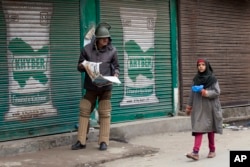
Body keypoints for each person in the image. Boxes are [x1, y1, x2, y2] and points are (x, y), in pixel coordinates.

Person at [71, 23, 120, 151]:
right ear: (97, 39)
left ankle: (103, 141)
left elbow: (117, 67)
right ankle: (81, 141)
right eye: (104, 38)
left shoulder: (113, 50)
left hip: (106, 87)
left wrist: (115, 73)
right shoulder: (86, 50)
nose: (106, 40)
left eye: (108, 38)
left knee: (104, 112)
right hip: (91, 86)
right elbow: (79, 67)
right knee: (84, 109)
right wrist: (84, 65)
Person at [185, 58, 223, 160]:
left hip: (209, 107)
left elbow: (217, 92)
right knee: (198, 129)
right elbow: (191, 94)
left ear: (206, 66)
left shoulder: (212, 79)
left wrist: (206, 92)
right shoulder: (195, 79)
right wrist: (189, 106)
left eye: (203, 65)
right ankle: (195, 152)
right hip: (198, 108)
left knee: (210, 129)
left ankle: (212, 150)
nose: (201, 66)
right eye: (199, 65)